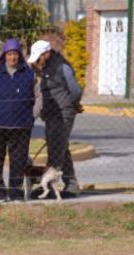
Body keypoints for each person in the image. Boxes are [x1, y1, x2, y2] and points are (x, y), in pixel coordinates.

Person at [0, 38, 36, 201]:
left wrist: (32, 114)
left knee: (18, 160)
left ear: (20, 56)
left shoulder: (29, 74)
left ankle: (15, 192)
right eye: (9, 54)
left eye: (15, 54)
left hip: (21, 126)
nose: (13, 58)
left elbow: (39, 96)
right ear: (4, 55)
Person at [27, 40, 82, 199]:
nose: (37, 62)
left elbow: (76, 91)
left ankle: (52, 186)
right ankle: (71, 185)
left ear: (46, 53)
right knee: (60, 147)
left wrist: (72, 105)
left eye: (39, 57)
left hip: (62, 114)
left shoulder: (61, 66)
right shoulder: (47, 67)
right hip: (52, 114)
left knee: (56, 149)